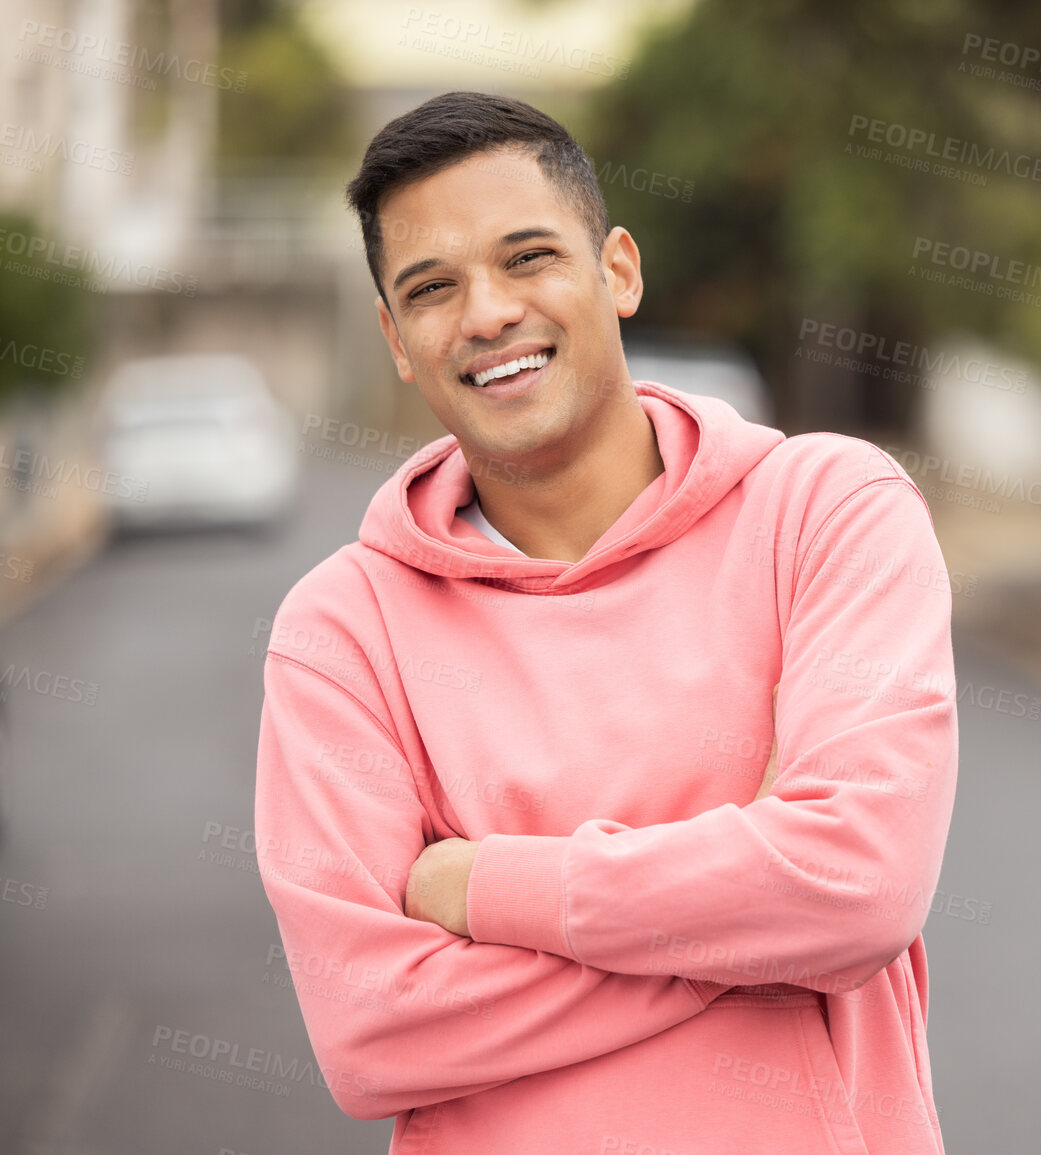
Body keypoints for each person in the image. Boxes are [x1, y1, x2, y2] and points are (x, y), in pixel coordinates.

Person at [252, 90, 958, 1152]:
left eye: (528, 257)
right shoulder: (342, 631)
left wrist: (483, 885)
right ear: (398, 341)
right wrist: (751, 921)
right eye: (434, 288)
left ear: (617, 270)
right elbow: (372, 1029)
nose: (487, 313)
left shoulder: (825, 511)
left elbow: (858, 885)